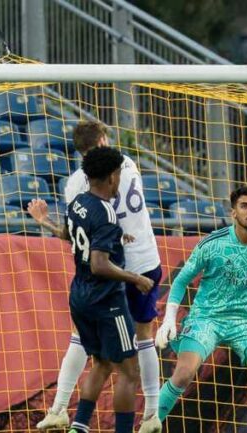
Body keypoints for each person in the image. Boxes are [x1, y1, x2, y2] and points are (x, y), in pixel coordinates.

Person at [29, 121, 163, 433]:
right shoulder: (126, 162)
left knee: (89, 347)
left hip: (100, 278)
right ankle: (151, 416)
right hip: (139, 263)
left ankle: (61, 409)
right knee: (141, 342)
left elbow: (73, 235)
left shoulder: (77, 185)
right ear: (103, 140)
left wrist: (44, 221)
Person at [153, 186, 247, 433]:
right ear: (233, 213)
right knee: (183, 375)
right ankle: (150, 423)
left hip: (243, 322)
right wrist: (168, 320)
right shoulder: (213, 243)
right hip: (206, 319)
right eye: (245, 206)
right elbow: (180, 280)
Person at [60, 146, 155, 433]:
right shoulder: (106, 214)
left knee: (100, 362)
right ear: (112, 177)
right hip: (106, 300)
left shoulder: (77, 202)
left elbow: (71, 235)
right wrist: (135, 279)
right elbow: (99, 264)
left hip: (79, 295)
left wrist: (115, 238)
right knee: (128, 371)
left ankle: (78, 426)